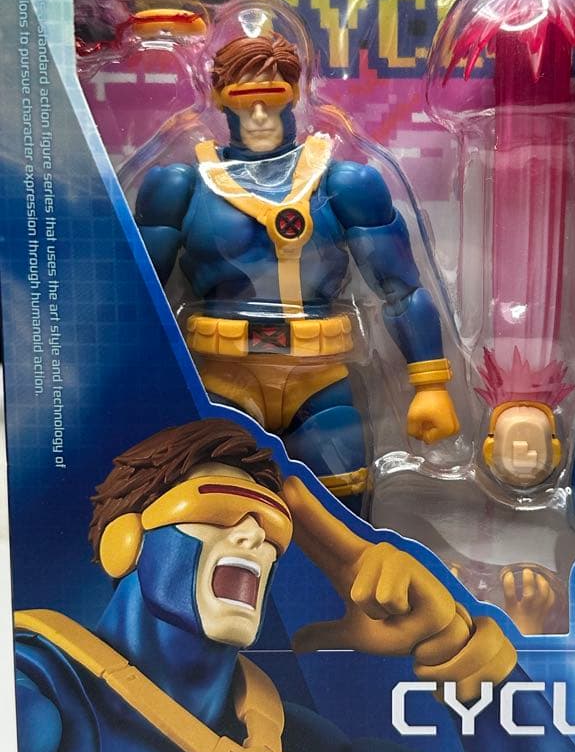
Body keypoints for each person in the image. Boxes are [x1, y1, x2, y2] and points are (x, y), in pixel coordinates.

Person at [15, 419, 575, 752]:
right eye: (218, 511)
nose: (253, 539)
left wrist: (461, 654)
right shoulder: (39, 698)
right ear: (126, 540)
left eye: (271, 526)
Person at [135, 32, 459, 515]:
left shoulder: (344, 181)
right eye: (244, 101)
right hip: (222, 375)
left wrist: (430, 384)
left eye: (272, 97)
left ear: (294, 94)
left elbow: (400, 289)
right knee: (220, 513)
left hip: (319, 375)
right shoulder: (180, 185)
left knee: (342, 510)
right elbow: (138, 297)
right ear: (220, 99)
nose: (259, 115)